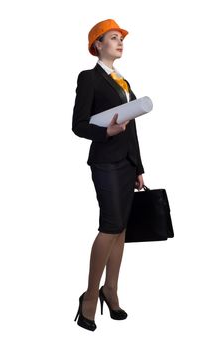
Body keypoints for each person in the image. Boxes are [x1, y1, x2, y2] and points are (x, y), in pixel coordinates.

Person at [72, 19, 145, 331]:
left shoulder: (123, 82)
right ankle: (90, 296)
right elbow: (78, 124)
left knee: (121, 229)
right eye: (112, 38)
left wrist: (139, 166)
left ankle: (111, 290)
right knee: (110, 226)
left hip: (126, 163)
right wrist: (107, 131)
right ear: (97, 45)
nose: (119, 42)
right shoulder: (89, 78)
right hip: (104, 161)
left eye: (120, 38)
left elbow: (133, 127)